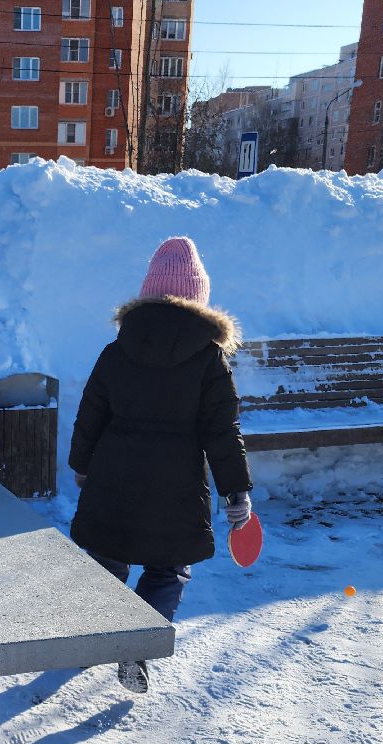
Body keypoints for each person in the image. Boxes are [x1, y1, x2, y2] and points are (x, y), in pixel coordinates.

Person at [68, 236, 253, 694]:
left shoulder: (117, 349)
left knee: (107, 561)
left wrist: (82, 464)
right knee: (167, 569)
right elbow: (222, 431)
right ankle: (138, 644)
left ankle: (98, 634)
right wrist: (235, 490)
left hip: (113, 477)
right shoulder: (209, 359)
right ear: (199, 299)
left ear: (147, 293)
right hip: (176, 487)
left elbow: (91, 412)